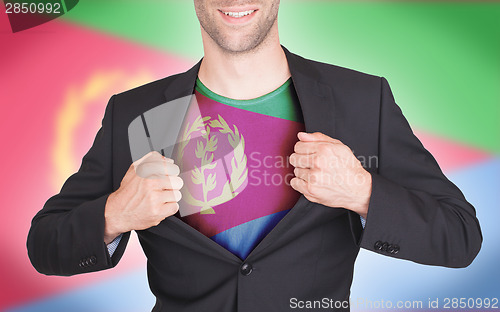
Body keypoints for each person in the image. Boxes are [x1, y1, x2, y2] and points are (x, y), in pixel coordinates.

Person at [27, 0, 482, 311]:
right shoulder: (137, 113)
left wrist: (363, 191)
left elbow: (460, 236)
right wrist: (114, 214)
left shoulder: (362, 100)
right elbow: (44, 245)